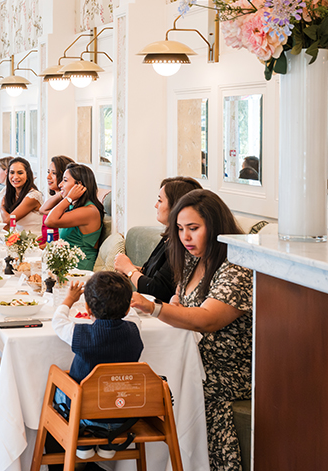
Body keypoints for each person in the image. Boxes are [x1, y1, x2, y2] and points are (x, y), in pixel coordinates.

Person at [130, 189, 252, 471]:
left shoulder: (236, 267)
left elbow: (209, 318)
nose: (185, 237)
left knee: (150, 381)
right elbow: (183, 302)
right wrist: (174, 303)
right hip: (191, 357)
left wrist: (154, 308)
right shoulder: (193, 260)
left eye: (194, 228)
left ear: (216, 226)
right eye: (181, 229)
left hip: (225, 370)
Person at [49, 271, 144, 461]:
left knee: (59, 385)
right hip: (124, 415)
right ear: (127, 309)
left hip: (83, 416)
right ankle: (109, 443)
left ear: (88, 308)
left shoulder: (80, 334)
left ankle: (81, 438)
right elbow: (132, 315)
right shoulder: (134, 329)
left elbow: (58, 322)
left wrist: (68, 299)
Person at [113, 176, 203, 302]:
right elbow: (155, 274)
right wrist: (129, 268)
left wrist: (129, 270)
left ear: (176, 206)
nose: (156, 205)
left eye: (160, 201)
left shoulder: (185, 244)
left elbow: (158, 290)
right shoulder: (169, 237)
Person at [44, 164, 104, 270]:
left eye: (65, 180)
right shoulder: (74, 207)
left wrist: (69, 197)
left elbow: (50, 221)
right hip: (67, 266)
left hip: (79, 269)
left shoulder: (89, 211)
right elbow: (44, 211)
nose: (60, 184)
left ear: (78, 185)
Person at [0, 157, 45, 236]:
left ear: (28, 175)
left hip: (33, 242)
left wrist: (2, 207)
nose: (15, 177)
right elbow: (5, 226)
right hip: (16, 240)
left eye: (20, 173)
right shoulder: (9, 192)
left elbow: (8, 220)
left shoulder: (33, 196)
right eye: (12, 172)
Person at [39, 155, 76, 243]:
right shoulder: (55, 200)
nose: (48, 177)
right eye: (48, 172)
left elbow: (57, 240)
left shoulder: (66, 203)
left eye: (54, 173)